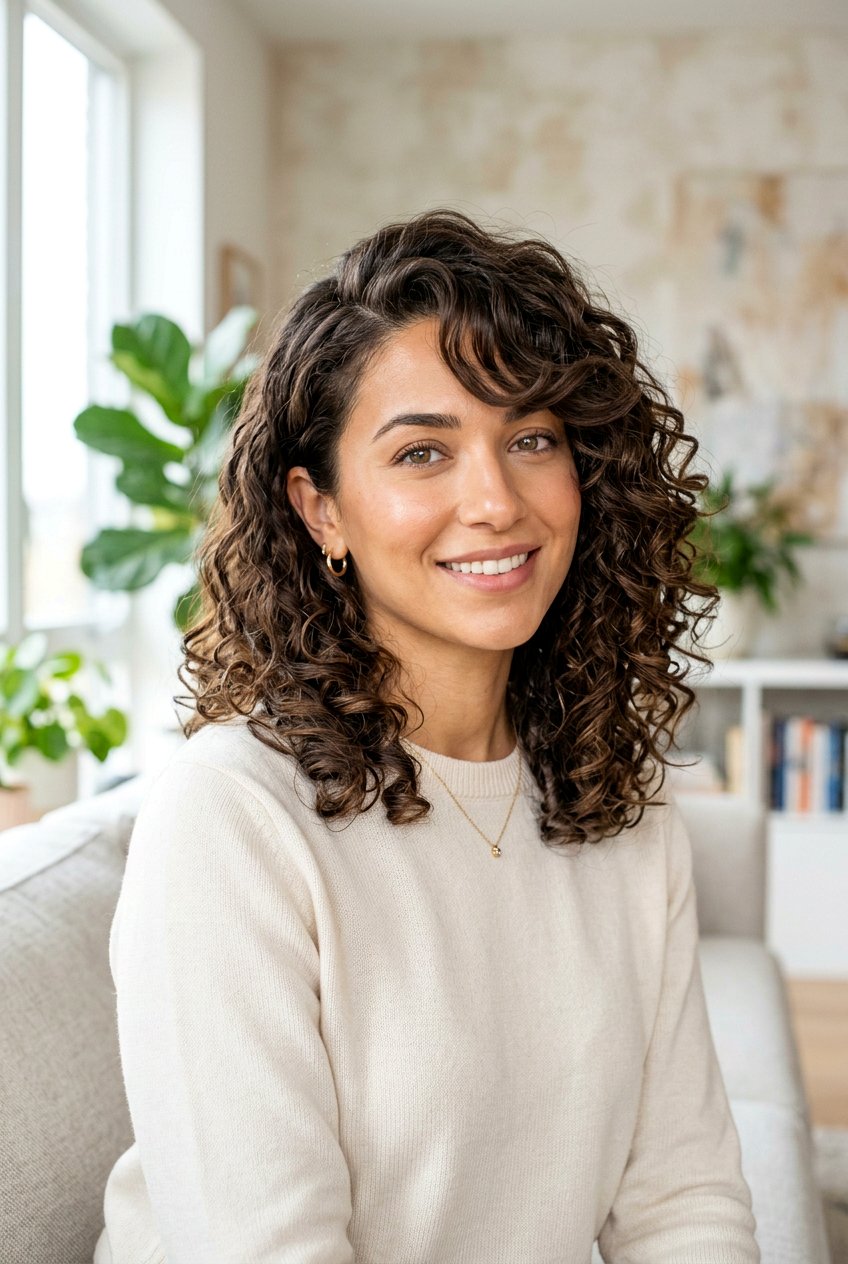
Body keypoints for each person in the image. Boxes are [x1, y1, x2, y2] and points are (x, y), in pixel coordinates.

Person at [94, 208, 760, 1263]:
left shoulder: (616, 799)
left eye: (530, 439)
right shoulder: (230, 816)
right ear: (320, 510)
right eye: (421, 452)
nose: (494, 501)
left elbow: (683, 1202)